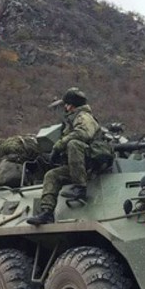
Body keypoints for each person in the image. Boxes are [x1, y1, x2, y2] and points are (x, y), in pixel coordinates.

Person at [27, 87, 100, 225]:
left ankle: (80, 188)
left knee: (73, 144)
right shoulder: (71, 120)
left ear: (71, 105)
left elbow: (83, 134)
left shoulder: (84, 117)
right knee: (52, 175)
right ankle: (47, 212)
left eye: (66, 104)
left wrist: (59, 145)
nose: (65, 107)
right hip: (77, 166)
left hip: (89, 163)